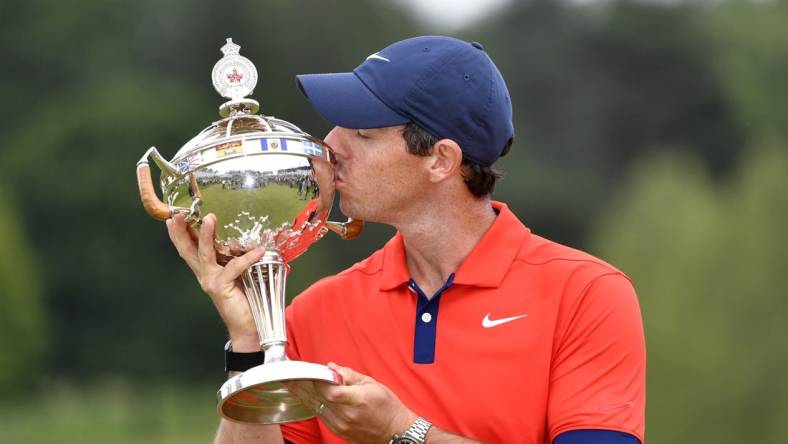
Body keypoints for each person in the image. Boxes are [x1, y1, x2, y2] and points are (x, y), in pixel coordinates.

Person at [166, 36, 645, 444]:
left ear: (441, 160)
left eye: (362, 132)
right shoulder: (315, 312)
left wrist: (406, 432)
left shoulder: (586, 295)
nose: (331, 144)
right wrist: (249, 344)